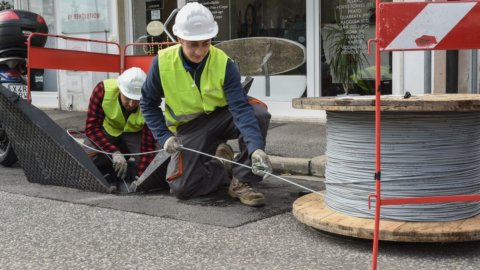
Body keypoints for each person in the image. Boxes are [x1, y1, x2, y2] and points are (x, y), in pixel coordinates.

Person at [140, 2, 272, 207]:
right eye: (193, 44)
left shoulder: (224, 63)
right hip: (190, 128)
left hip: (222, 117)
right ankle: (222, 163)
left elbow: (239, 108)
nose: (200, 51)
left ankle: (242, 180)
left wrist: (255, 149)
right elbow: (148, 104)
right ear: (179, 39)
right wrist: (164, 137)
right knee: (182, 188)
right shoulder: (162, 63)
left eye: (206, 43)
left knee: (258, 113)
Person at [84, 67, 157, 183]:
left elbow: (148, 146)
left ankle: (128, 165)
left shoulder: (150, 101)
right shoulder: (102, 90)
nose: (132, 104)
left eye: (137, 99)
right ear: (120, 89)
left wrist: (141, 178)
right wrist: (114, 152)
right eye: (127, 98)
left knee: (151, 165)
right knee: (88, 162)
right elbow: (91, 129)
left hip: (135, 134)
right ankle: (109, 169)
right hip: (108, 131)